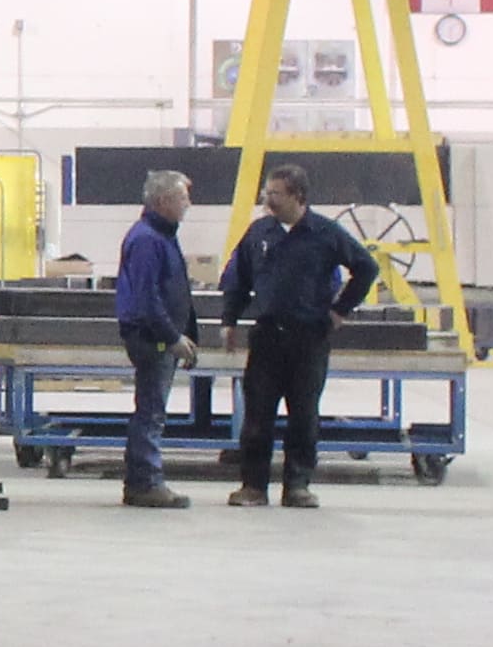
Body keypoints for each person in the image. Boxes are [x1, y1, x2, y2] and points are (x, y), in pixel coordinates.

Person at [220, 165, 378, 508]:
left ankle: (298, 486)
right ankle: (253, 486)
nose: (268, 199)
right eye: (267, 192)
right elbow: (237, 277)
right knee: (257, 415)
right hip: (267, 339)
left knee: (304, 415)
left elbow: (367, 267)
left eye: (275, 193)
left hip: (309, 339)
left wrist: (340, 310)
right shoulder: (259, 232)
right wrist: (229, 320)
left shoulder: (325, 233)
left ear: (298, 196)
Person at [113, 171, 201, 508]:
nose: (188, 204)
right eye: (183, 198)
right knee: (151, 413)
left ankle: (143, 481)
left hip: (160, 336)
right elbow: (147, 298)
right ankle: (145, 482)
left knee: (151, 410)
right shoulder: (148, 239)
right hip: (151, 338)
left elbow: (173, 290)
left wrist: (186, 333)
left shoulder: (162, 235)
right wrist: (172, 337)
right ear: (163, 201)